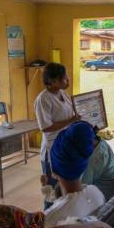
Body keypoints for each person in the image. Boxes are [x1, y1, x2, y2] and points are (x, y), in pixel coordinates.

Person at [34, 62, 80, 209]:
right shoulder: (43, 99)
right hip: (52, 150)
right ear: (53, 81)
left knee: (64, 188)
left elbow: (73, 113)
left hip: (66, 146)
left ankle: (62, 217)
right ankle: (48, 220)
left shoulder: (63, 94)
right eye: (65, 79)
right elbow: (46, 127)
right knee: (52, 190)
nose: (68, 81)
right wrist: (71, 120)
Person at [44, 121, 105, 228]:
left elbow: (62, 206)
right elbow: (68, 202)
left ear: (54, 171)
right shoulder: (96, 193)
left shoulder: (50, 218)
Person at [81, 129, 114, 201]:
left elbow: (83, 186)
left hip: (105, 196)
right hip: (112, 188)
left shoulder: (94, 157)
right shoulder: (101, 142)